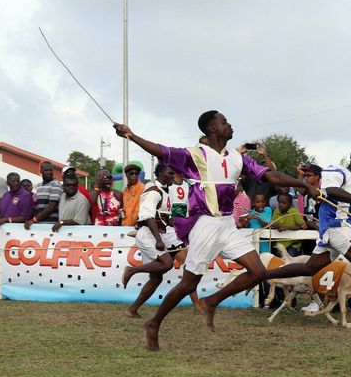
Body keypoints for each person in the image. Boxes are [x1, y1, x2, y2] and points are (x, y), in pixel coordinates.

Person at [113, 110, 318, 350]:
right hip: (206, 225)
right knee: (189, 284)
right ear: (211, 129)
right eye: (224, 122)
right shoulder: (195, 155)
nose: (230, 125)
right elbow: (160, 150)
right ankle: (154, 323)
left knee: (258, 272)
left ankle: (212, 301)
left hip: (227, 225)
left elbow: (270, 175)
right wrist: (131, 135)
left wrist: (302, 183)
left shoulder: (236, 157)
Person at [265, 144, 351, 328]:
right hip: (335, 227)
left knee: (309, 269)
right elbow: (332, 191)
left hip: (340, 228)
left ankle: (262, 274)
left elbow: (348, 205)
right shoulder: (336, 171)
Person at [121, 163, 186, 318]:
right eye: (170, 173)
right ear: (160, 174)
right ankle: (131, 270)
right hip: (148, 236)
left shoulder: (165, 191)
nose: (172, 176)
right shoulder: (154, 192)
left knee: (156, 278)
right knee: (167, 264)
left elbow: (164, 218)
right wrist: (158, 240)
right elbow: (148, 216)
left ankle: (132, 310)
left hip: (157, 234)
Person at [24, 161, 61, 229]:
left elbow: (51, 207)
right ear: (41, 171)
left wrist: (34, 220)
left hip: (51, 224)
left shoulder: (56, 184)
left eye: (50, 170)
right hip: (40, 223)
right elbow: (38, 206)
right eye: (46, 170)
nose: (49, 172)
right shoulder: (39, 185)